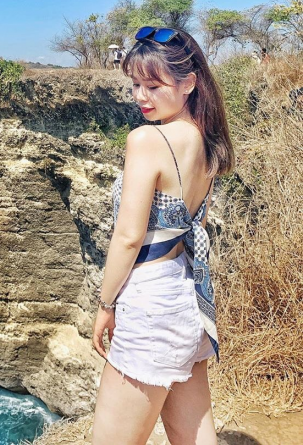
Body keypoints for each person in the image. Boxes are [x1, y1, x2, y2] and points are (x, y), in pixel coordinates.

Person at [91, 26, 234, 445]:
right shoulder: (207, 140)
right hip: (187, 299)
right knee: (194, 436)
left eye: (153, 86)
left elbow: (128, 237)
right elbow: (196, 226)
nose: (141, 96)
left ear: (189, 83)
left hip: (150, 306)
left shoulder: (147, 139)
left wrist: (105, 305)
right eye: (135, 84)